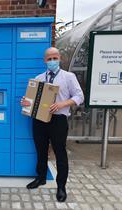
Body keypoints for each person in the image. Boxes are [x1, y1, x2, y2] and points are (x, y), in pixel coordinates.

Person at [20, 47, 84, 202]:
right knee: (40, 150)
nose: (52, 61)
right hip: (40, 120)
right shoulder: (39, 78)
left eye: (54, 58)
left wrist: (62, 104)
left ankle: (61, 186)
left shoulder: (68, 77)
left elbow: (79, 96)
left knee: (60, 152)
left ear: (59, 58)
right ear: (44, 60)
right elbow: (32, 100)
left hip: (58, 120)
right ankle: (41, 177)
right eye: (49, 59)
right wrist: (25, 102)